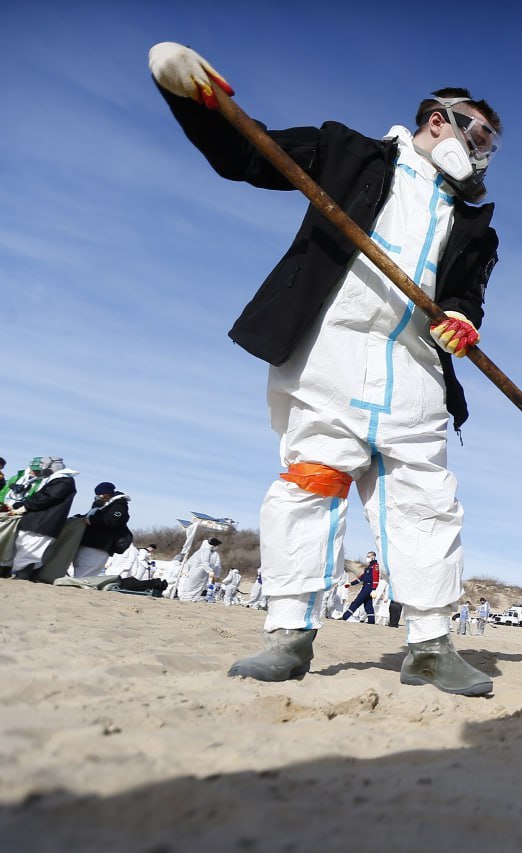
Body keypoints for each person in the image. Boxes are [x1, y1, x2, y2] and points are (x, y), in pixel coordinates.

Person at [149, 43, 501, 696]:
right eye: (477, 131)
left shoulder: (475, 225)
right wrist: (196, 102)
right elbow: (248, 154)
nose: (483, 148)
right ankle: (289, 635)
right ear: (436, 121)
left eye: (492, 142)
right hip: (329, 357)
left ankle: (429, 644)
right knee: (310, 483)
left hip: (416, 372)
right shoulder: (349, 154)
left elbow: (466, 294)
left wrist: (460, 318)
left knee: (427, 504)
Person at [8, 457, 78, 581]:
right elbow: (41, 497)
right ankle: (23, 574)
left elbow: (47, 498)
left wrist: (26, 506)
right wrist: (20, 504)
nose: (41, 469)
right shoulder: (54, 481)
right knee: (24, 546)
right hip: (37, 522)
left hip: (42, 523)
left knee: (30, 549)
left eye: (43, 465)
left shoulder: (63, 481)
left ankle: (23, 575)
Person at [69, 482, 132, 578]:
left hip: (100, 544)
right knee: (80, 566)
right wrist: (78, 518)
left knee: (87, 570)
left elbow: (112, 522)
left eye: (101, 495)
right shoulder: (99, 505)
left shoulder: (119, 506)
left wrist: (91, 521)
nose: (99, 497)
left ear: (107, 494)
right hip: (88, 542)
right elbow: (89, 516)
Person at [177, 538, 222, 602]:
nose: (216, 547)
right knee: (194, 587)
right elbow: (205, 563)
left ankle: (190, 598)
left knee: (194, 587)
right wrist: (210, 571)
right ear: (213, 545)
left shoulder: (202, 550)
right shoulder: (206, 551)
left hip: (197, 572)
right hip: (198, 572)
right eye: (216, 545)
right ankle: (188, 599)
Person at [341, 557, 379, 624]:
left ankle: (346, 616)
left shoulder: (375, 567)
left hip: (369, 587)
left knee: (357, 602)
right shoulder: (369, 567)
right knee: (368, 604)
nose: (367, 558)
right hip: (365, 586)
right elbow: (361, 578)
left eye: (369, 556)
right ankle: (371, 620)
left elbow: (376, 579)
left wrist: (374, 589)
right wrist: (351, 584)